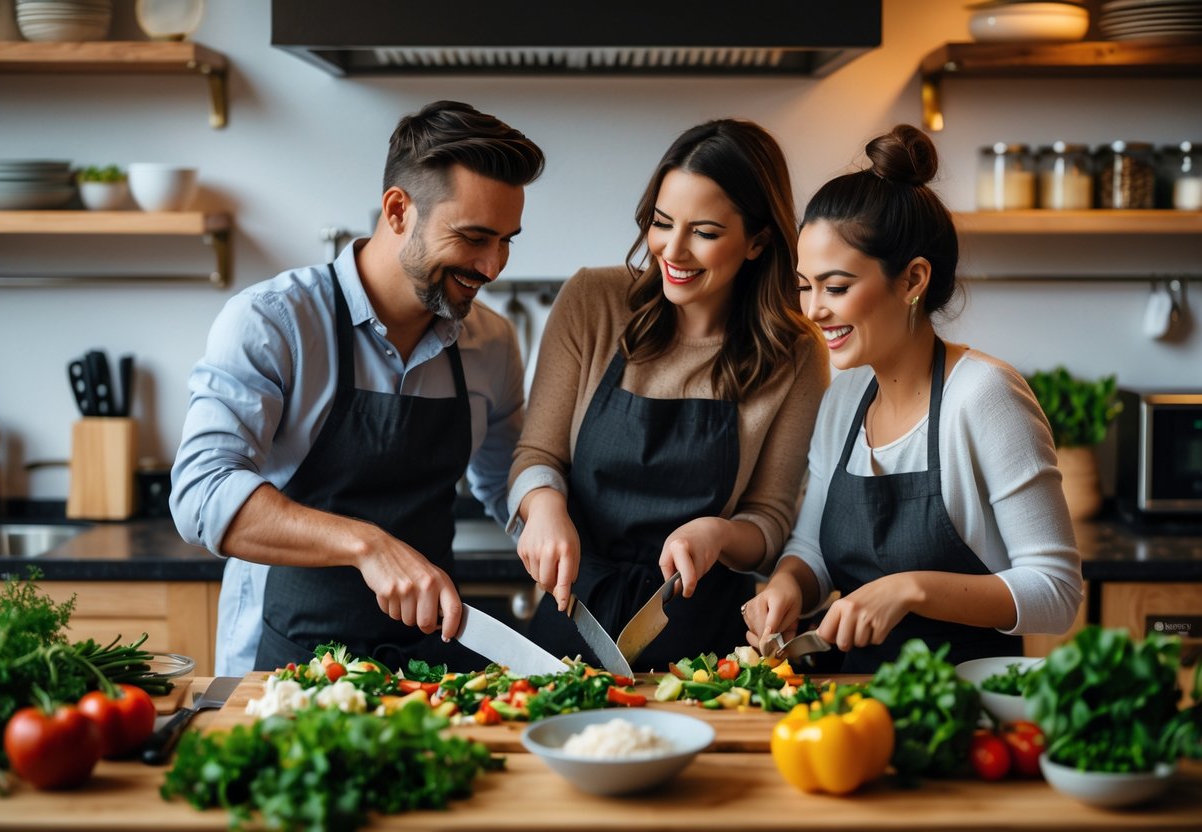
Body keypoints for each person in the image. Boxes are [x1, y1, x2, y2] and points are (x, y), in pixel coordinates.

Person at [169, 100, 545, 675]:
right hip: (287, 662)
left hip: (431, 667)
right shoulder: (275, 322)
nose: (493, 265)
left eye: (507, 240)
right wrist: (367, 545)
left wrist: (546, 519)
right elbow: (201, 494)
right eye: (474, 237)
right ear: (398, 210)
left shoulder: (490, 342)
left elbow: (503, 480)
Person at [742, 124, 1083, 673]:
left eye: (835, 287)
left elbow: (1057, 592)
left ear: (912, 280)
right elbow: (810, 548)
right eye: (805, 285)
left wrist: (911, 589)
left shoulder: (984, 397)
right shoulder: (844, 400)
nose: (813, 309)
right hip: (848, 705)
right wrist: (787, 585)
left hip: (962, 712)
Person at [509, 119, 829, 671]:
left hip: (708, 649)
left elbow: (771, 521)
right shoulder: (593, 302)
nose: (672, 251)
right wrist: (543, 509)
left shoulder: (795, 352)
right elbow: (536, 457)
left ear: (757, 241)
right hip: (572, 621)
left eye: (704, 232)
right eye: (661, 223)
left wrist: (719, 534)